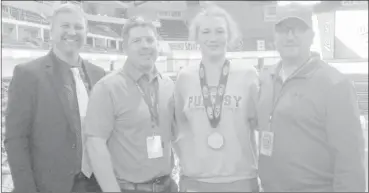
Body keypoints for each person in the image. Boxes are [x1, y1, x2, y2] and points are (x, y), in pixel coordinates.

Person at [257, 3, 366, 192]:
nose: (290, 36)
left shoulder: (335, 84)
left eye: (299, 29)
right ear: (274, 36)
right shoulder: (267, 79)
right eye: (284, 29)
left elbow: (350, 160)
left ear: (312, 35)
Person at [4, 3, 105, 192]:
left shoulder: (99, 75)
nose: (72, 32)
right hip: (49, 186)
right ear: (51, 31)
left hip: (97, 183)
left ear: (86, 32)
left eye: (78, 27)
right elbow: (15, 139)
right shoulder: (28, 74)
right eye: (65, 26)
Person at [84, 17, 177, 192]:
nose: (145, 46)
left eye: (150, 40)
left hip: (167, 186)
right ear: (125, 47)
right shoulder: (107, 88)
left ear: (157, 45)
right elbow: (95, 145)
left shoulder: (169, 86)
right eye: (137, 41)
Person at [172, 5, 260, 192]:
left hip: (241, 179)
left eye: (220, 31)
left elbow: (258, 124)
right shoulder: (185, 77)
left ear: (229, 35)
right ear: (197, 37)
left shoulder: (248, 75)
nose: (213, 38)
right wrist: (189, 163)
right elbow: (179, 126)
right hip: (196, 181)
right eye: (206, 32)